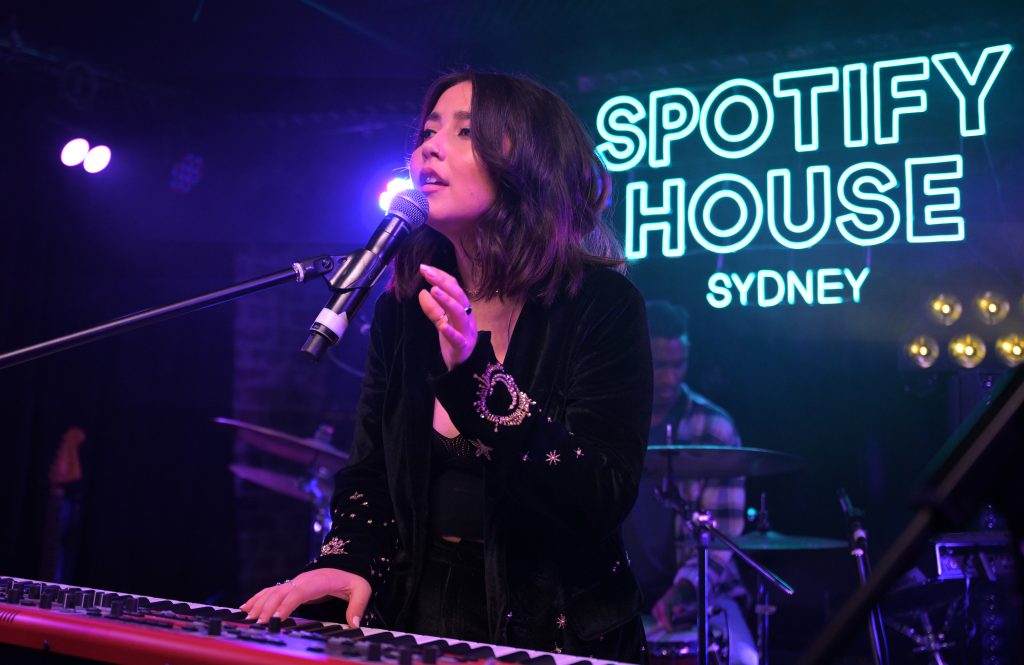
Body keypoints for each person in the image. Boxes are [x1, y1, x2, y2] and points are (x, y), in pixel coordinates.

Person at [241, 70, 653, 663]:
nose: (429, 146)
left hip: (556, 632)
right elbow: (370, 476)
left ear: (529, 163)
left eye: (465, 132)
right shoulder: (404, 312)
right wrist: (346, 563)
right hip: (420, 614)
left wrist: (477, 381)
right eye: (428, 130)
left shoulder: (602, 306)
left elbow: (600, 494)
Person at [621, 301, 758, 665]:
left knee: (743, 659)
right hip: (617, 592)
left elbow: (723, 531)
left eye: (678, 365)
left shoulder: (714, 428)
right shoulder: (607, 422)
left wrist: (686, 588)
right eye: (659, 365)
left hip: (702, 591)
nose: (669, 379)